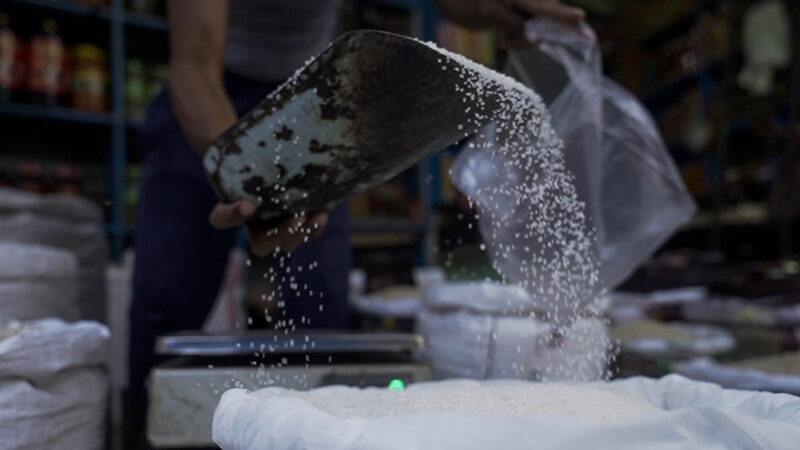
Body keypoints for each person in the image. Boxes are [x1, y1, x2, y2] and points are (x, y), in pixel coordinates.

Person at [128, 0, 584, 446]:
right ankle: (142, 433)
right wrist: (249, 177)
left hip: (310, 98)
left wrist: (490, 9)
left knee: (321, 308)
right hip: (209, 95)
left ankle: (314, 436)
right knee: (169, 300)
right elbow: (195, 61)